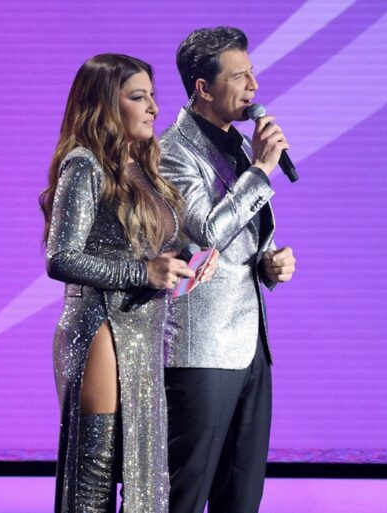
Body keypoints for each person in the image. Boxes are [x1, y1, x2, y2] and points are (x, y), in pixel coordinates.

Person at [41, 54, 216, 513]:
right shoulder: (85, 164)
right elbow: (60, 257)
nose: (154, 107)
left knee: (147, 477)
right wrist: (144, 273)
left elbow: (149, 246)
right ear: (105, 104)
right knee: (95, 477)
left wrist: (188, 258)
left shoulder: (141, 165)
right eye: (138, 97)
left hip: (144, 328)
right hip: (102, 327)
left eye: (152, 96)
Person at [159, 27, 297, 513]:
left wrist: (270, 263)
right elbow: (206, 232)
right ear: (203, 87)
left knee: (241, 496)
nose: (253, 85)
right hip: (202, 348)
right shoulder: (173, 151)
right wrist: (260, 171)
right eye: (239, 76)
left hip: (251, 345)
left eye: (252, 72)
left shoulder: (237, 144)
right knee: (185, 493)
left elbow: (242, 238)